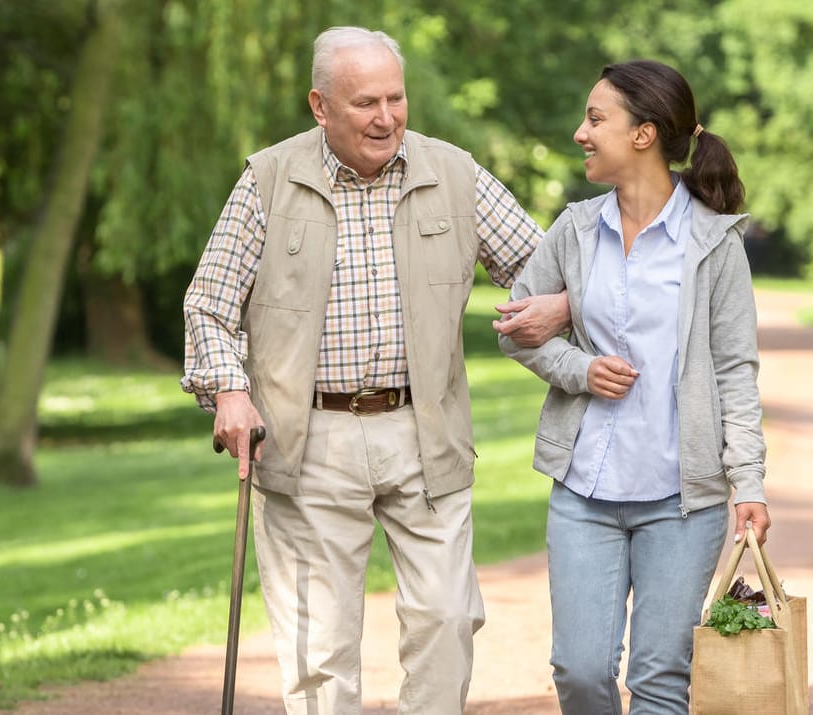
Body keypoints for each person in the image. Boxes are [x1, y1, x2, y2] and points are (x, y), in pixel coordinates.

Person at [181, 26, 568, 714]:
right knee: (318, 648)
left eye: (396, 97)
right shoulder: (268, 179)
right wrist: (230, 390)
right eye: (365, 103)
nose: (386, 117)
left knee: (447, 619)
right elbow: (209, 305)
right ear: (319, 106)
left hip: (427, 429)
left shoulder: (452, 171)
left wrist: (560, 303)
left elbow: (542, 267)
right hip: (308, 438)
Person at [496, 60, 772, 714]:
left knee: (659, 678)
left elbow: (736, 368)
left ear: (644, 133)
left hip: (684, 500)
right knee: (581, 670)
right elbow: (515, 329)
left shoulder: (713, 242)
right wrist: (579, 370)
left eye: (596, 119)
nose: (580, 133)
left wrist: (750, 480)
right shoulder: (574, 229)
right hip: (585, 492)